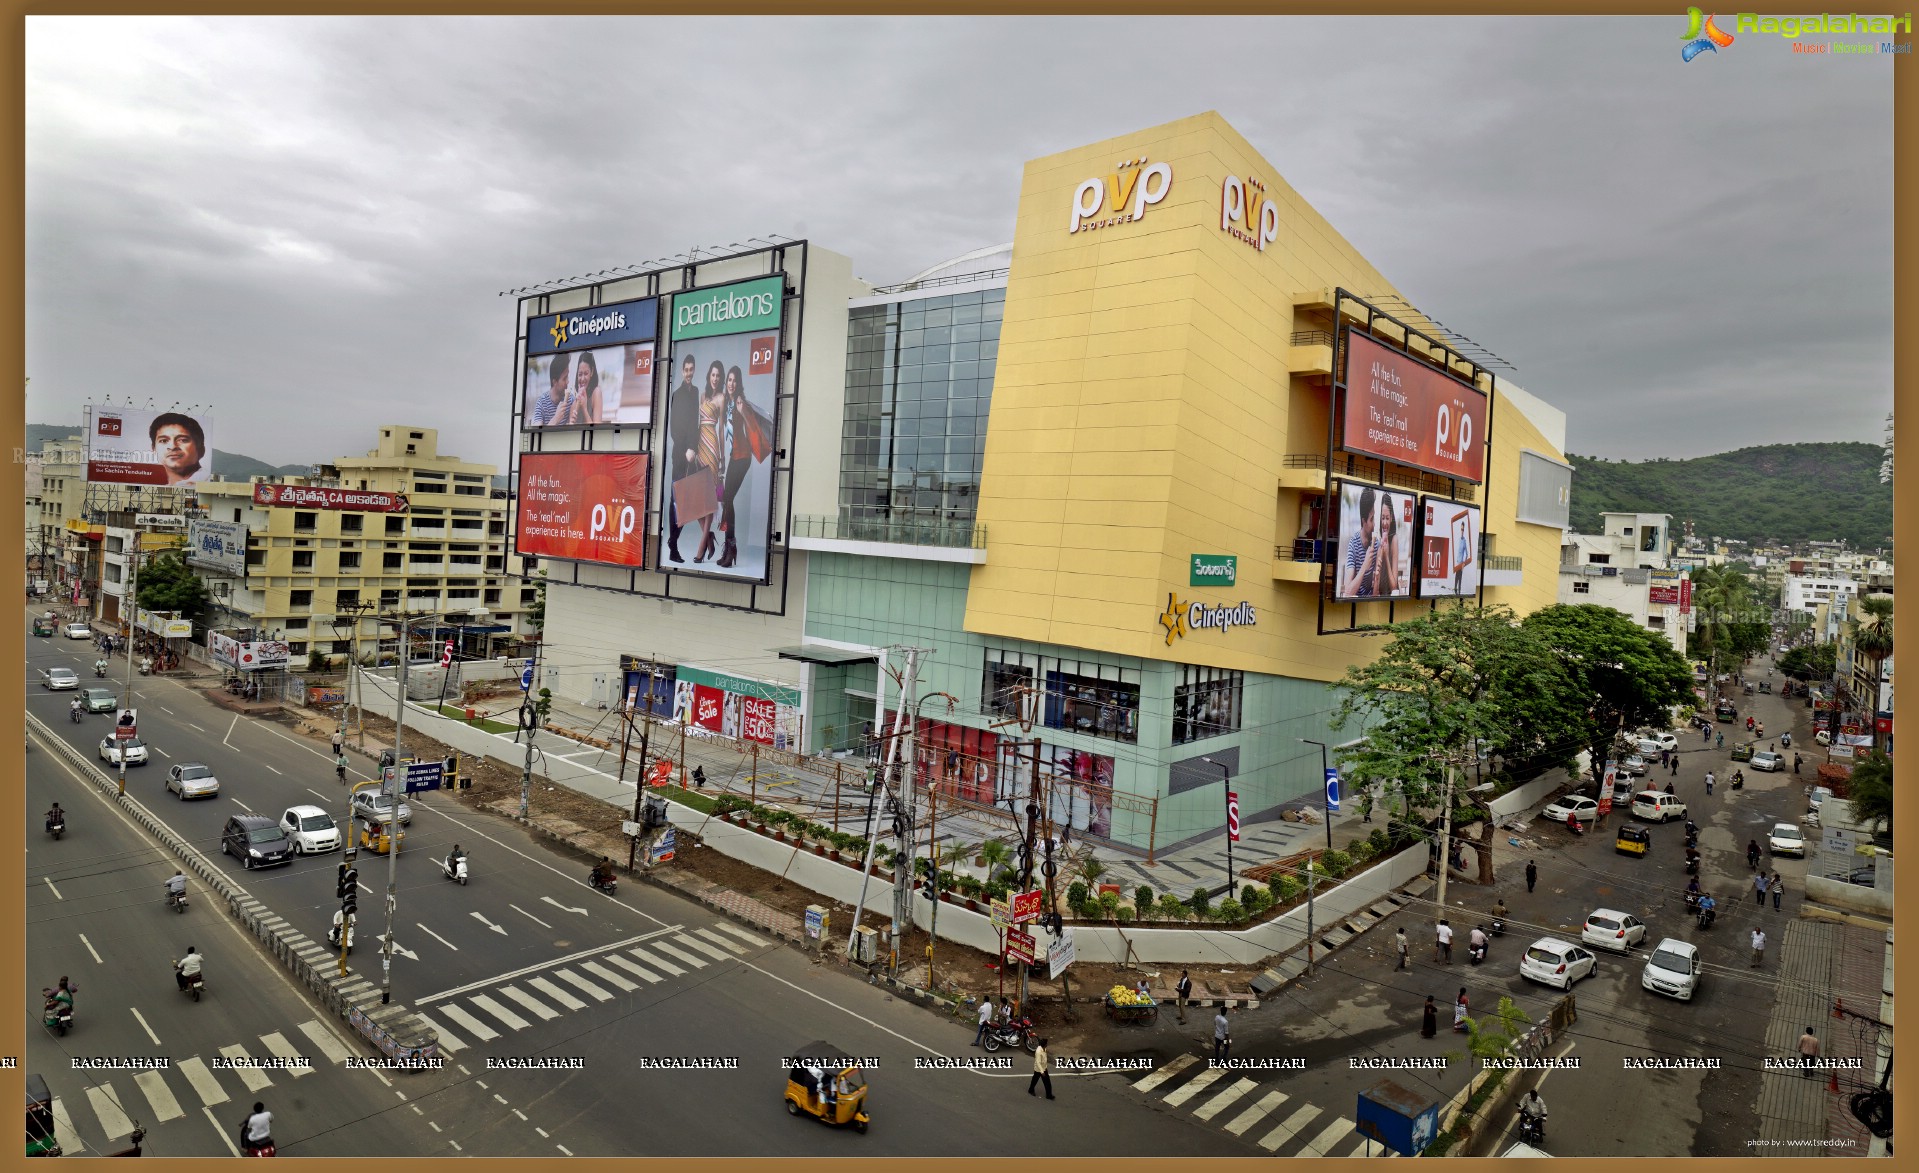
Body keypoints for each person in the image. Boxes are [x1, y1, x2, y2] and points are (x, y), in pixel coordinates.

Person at [715, 364, 773, 570]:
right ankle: (730, 548)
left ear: (739, 383)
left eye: (734, 380)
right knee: (726, 500)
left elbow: (751, 427)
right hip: (733, 457)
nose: (731, 384)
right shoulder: (729, 402)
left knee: (728, 499)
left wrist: (743, 412)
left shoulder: (740, 403)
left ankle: (731, 549)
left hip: (743, 458)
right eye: (729, 380)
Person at [689, 359, 728, 563]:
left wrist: (722, 458)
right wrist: (693, 448)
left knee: (709, 503)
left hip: (712, 449)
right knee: (696, 501)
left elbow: (720, 430)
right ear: (708, 376)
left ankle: (700, 550)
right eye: (712, 375)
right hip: (700, 448)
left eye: (718, 375)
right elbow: (696, 425)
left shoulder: (722, 398)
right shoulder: (702, 396)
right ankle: (709, 537)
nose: (715, 378)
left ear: (720, 378)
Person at [665, 352, 702, 562]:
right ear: (682, 371)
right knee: (676, 499)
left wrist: (694, 448)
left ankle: (672, 540)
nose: (688, 373)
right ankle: (673, 547)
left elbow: (694, 424)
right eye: (685, 370)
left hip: (691, 453)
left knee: (688, 500)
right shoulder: (677, 394)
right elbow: (675, 428)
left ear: (694, 369)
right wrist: (685, 449)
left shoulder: (696, 391)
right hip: (679, 455)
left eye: (691, 369)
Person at [1339, 485, 1379, 598]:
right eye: (1372, 519)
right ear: (1364, 521)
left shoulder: (1377, 544)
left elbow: (1377, 595)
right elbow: (1348, 592)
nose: (1375, 524)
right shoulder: (1353, 543)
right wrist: (1365, 564)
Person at [148, 412, 210, 485]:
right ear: (153, 449)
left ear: (200, 448)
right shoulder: (152, 483)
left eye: (182, 440)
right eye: (163, 440)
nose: (172, 447)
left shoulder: (208, 483)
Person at [560, 349, 602, 426]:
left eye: (586, 373)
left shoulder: (596, 392)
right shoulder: (574, 404)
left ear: (592, 372)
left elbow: (597, 430)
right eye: (580, 374)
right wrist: (571, 424)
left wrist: (584, 409)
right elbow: (572, 433)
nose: (582, 379)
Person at [530, 354, 569, 427]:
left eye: (568, 376)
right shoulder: (541, 402)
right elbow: (536, 433)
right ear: (554, 382)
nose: (568, 381)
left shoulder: (570, 400)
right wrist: (556, 419)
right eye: (564, 378)